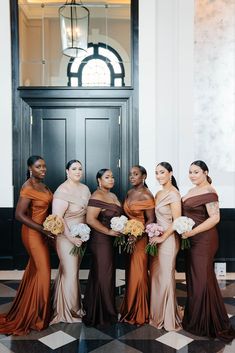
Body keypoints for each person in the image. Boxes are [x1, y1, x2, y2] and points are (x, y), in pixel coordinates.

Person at [182, 160, 235, 343]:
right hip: (191, 239)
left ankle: (208, 321)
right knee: (194, 277)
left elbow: (215, 218)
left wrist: (192, 232)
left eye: (196, 172)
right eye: (190, 172)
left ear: (205, 172)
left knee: (202, 278)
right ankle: (195, 318)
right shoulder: (190, 191)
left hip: (204, 239)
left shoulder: (209, 191)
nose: (192, 175)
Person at [0, 155, 53, 335]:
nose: (43, 169)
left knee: (36, 271)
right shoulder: (28, 187)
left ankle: (32, 307)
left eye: (44, 166)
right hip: (32, 234)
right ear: (30, 168)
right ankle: (38, 317)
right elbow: (19, 215)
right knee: (44, 272)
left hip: (43, 232)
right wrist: (42, 229)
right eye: (39, 167)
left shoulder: (43, 185)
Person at [50, 160, 91, 324]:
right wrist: (71, 237)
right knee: (71, 272)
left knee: (70, 272)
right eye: (74, 169)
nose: (78, 171)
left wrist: (82, 235)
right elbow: (58, 219)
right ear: (67, 171)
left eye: (80, 168)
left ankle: (63, 304)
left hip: (81, 237)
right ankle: (70, 312)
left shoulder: (85, 189)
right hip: (66, 238)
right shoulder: (62, 190)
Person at [83, 169, 122, 328]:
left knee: (105, 274)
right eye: (107, 177)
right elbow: (90, 220)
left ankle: (99, 306)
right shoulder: (96, 196)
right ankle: (104, 313)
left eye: (112, 177)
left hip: (110, 241)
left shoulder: (113, 196)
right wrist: (109, 231)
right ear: (99, 180)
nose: (111, 179)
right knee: (104, 274)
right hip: (100, 240)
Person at [120, 165, 155, 325]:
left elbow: (150, 220)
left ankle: (139, 311)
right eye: (130, 174)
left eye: (135, 174)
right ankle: (130, 306)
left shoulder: (147, 195)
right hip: (129, 237)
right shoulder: (129, 193)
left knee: (138, 273)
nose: (132, 177)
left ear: (144, 176)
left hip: (140, 239)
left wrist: (137, 234)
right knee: (131, 272)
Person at [149, 162, 182, 331]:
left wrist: (162, 238)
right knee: (156, 275)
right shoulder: (159, 193)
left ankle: (168, 318)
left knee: (166, 276)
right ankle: (157, 314)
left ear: (170, 173)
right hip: (157, 238)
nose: (159, 176)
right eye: (156, 173)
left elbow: (176, 221)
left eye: (162, 172)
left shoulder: (174, 194)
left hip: (168, 240)